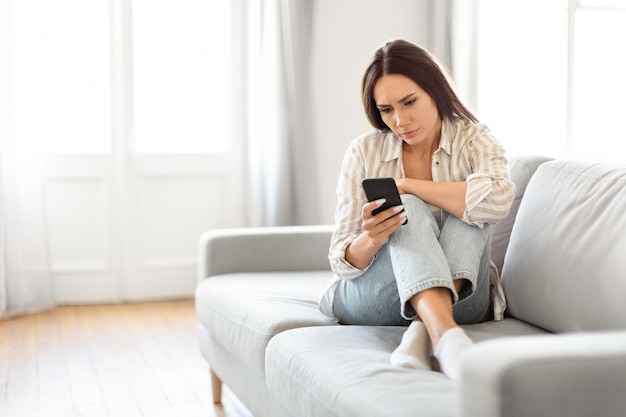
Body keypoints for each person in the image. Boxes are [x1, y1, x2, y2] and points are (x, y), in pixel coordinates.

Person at [319, 39, 515, 380]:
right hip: (378, 297)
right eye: (386, 110)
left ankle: (424, 330)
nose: (400, 120)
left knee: (471, 207)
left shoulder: (474, 140)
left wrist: (408, 186)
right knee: (416, 207)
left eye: (410, 102)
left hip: (465, 295)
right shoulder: (364, 151)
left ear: (435, 91)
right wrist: (372, 238)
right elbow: (341, 261)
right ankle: (445, 337)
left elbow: (498, 200)